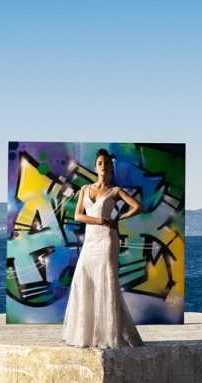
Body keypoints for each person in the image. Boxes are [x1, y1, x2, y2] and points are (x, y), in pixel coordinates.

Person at [61, 148, 145, 349]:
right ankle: (87, 334)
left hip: (107, 241)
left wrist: (119, 218)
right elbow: (78, 216)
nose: (103, 166)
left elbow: (137, 207)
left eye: (107, 164)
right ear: (95, 167)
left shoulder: (115, 191)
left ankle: (110, 334)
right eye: (100, 163)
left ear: (111, 168)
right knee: (84, 280)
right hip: (90, 242)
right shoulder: (85, 189)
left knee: (106, 283)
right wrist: (100, 220)